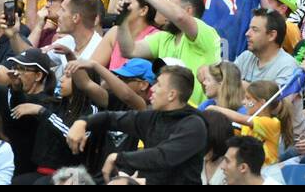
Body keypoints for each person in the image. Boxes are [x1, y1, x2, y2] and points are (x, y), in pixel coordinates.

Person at [67, 65, 208, 185]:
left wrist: (118, 158)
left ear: (172, 95)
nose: (152, 88)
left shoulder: (194, 125)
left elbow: (163, 157)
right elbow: (111, 118)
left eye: (158, 84)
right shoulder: (153, 116)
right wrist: (83, 122)